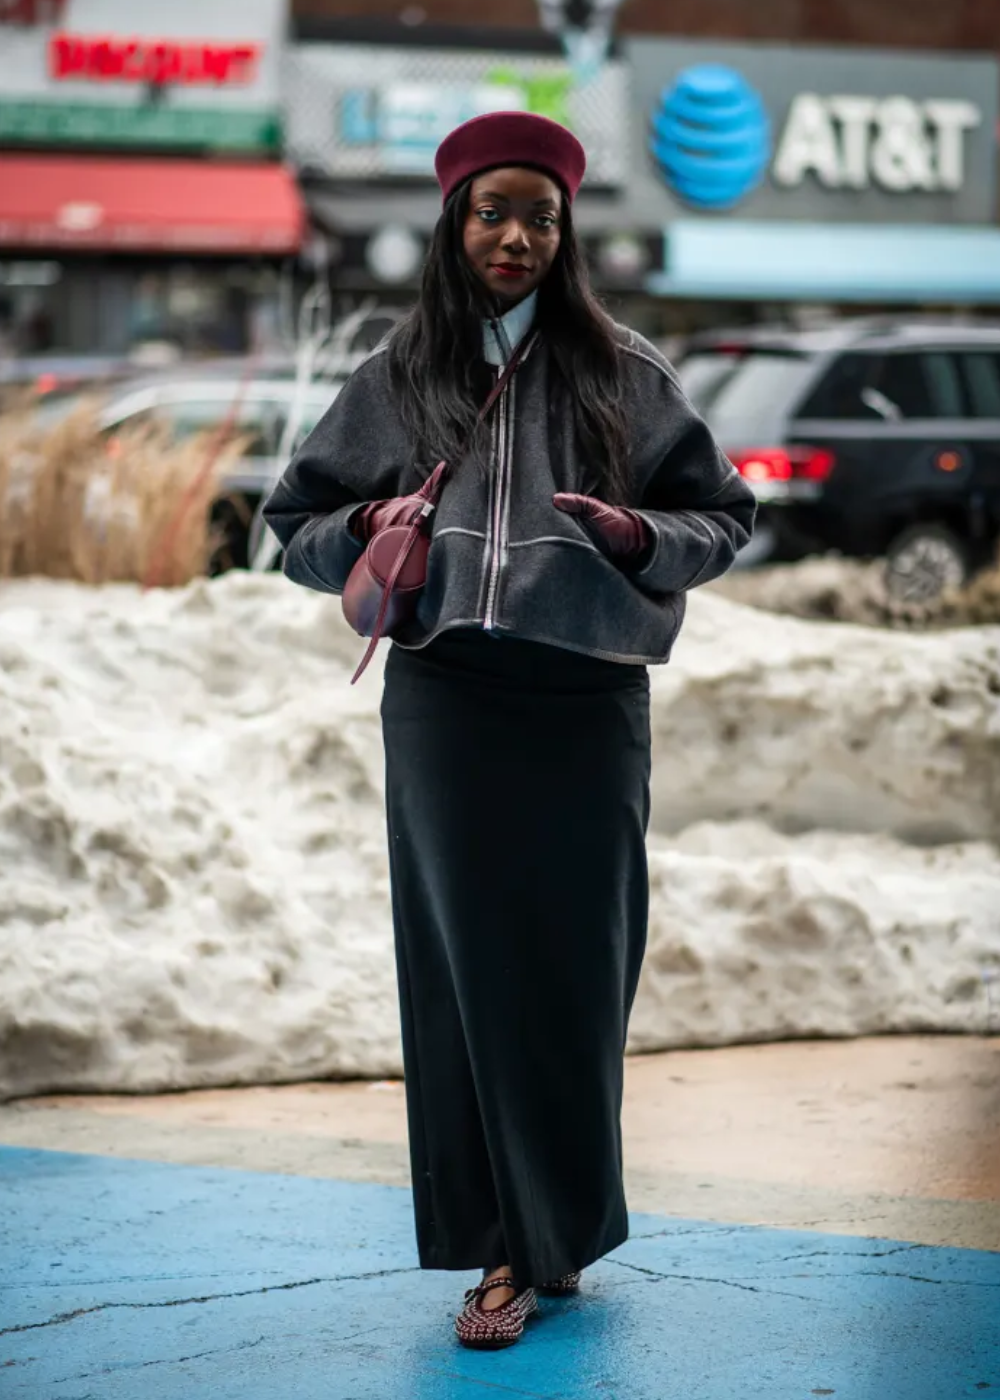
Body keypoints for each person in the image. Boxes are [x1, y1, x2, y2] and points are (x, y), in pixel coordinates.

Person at [263, 111, 756, 1351]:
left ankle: (558, 1226)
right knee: (468, 978)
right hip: (448, 703)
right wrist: (367, 521)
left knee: (580, 975)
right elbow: (294, 525)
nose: (517, 236)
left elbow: (722, 516)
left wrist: (640, 537)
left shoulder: (623, 370)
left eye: (541, 215)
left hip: (587, 701)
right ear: (453, 224)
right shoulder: (401, 373)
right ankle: (505, 1247)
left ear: (565, 231)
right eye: (494, 212)